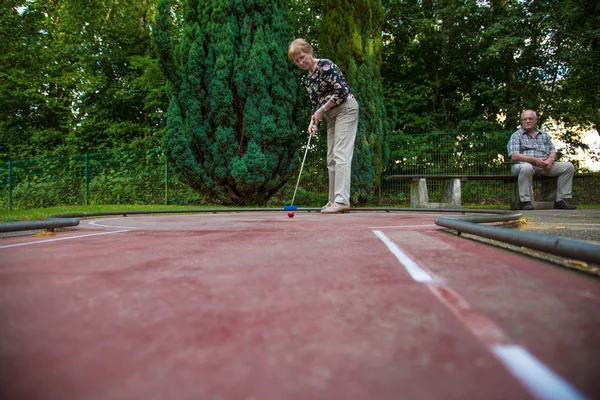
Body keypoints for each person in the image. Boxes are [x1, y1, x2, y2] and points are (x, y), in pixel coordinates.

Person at [287, 38, 359, 214]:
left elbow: (341, 91)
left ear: (310, 52)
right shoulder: (308, 80)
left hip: (346, 109)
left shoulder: (326, 66)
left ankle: (342, 201)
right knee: (331, 158)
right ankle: (333, 200)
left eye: (302, 57)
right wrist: (314, 121)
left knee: (341, 154)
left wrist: (322, 110)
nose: (301, 62)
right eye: (297, 61)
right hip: (331, 116)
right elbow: (315, 105)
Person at [507, 109, 576, 210]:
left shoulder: (544, 135)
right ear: (521, 122)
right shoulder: (516, 135)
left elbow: (553, 151)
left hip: (544, 165)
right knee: (526, 167)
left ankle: (561, 200)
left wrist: (550, 160)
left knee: (568, 167)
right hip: (523, 165)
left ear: (536, 120)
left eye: (530, 118)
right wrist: (534, 160)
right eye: (524, 119)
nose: (527, 121)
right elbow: (514, 155)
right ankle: (526, 202)